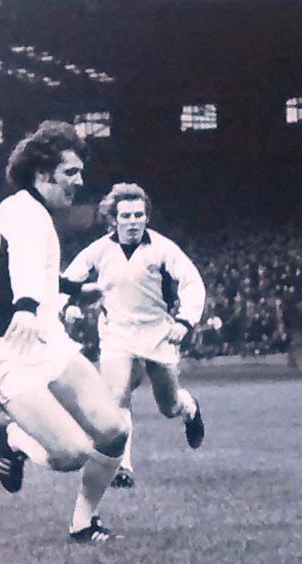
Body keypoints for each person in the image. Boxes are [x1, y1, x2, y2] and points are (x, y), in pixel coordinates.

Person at [0, 120, 129, 543]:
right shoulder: (20, 210)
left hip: (47, 341)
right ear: (43, 173)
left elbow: (35, 272)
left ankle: (84, 523)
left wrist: (74, 289)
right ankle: (14, 438)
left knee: (114, 430)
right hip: (6, 349)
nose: (80, 181)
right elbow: (23, 267)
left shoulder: (38, 214)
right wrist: (25, 307)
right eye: (70, 172)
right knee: (71, 453)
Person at [63, 183, 206, 489]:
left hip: (158, 333)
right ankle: (122, 468)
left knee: (168, 406)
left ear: (146, 217)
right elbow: (69, 278)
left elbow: (192, 282)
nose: (133, 222)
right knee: (117, 397)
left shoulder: (163, 249)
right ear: (113, 219)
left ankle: (190, 407)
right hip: (117, 332)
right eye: (126, 216)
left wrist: (185, 322)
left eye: (139, 215)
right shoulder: (100, 250)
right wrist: (67, 305)